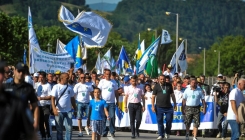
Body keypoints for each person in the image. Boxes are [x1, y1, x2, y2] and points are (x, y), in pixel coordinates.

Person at [0, 61, 37, 140]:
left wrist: (35, 121)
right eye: (19, 71)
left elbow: (35, 105)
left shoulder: (28, 88)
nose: (20, 74)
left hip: (21, 124)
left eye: (23, 72)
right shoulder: (6, 86)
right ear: (15, 71)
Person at [50, 73, 77, 140]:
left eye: (68, 78)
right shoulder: (56, 87)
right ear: (61, 78)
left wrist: (75, 108)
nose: (68, 79)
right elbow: (52, 98)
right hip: (59, 111)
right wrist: (54, 109)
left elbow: (72, 98)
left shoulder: (70, 87)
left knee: (69, 129)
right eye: (66, 78)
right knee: (59, 130)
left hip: (68, 111)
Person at [151, 75, 177, 140]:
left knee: (169, 120)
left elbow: (172, 95)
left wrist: (175, 103)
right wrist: (152, 106)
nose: (162, 80)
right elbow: (153, 97)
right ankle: (161, 134)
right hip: (159, 107)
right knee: (160, 121)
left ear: (165, 79)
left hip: (168, 107)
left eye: (164, 79)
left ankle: (167, 132)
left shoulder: (169, 85)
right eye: (161, 79)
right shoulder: (156, 86)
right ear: (159, 79)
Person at [98, 69, 119, 137]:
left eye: (109, 74)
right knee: (103, 117)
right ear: (104, 75)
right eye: (107, 74)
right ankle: (104, 131)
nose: (108, 75)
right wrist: (98, 100)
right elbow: (98, 91)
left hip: (111, 103)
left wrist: (117, 101)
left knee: (112, 116)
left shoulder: (114, 82)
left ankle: (112, 131)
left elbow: (116, 92)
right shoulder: (102, 82)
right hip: (103, 102)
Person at [36, 72, 52, 139]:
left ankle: (49, 135)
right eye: (40, 77)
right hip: (39, 106)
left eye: (42, 77)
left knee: (46, 120)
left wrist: (42, 98)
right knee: (40, 121)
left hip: (46, 105)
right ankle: (43, 136)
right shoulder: (37, 85)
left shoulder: (48, 85)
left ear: (45, 78)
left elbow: (50, 96)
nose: (41, 79)